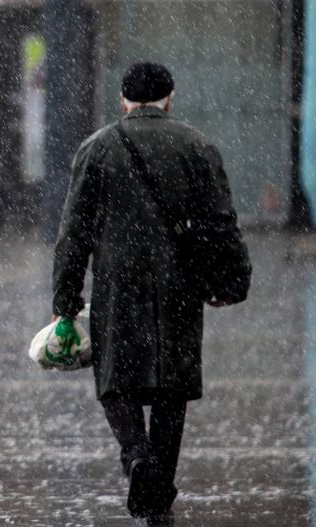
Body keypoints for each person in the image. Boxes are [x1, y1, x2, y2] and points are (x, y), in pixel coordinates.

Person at [51, 63, 251, 526]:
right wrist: (232, 283)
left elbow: (73, 234)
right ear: (170, 98)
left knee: (115, 378)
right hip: (179, 283)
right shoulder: (198, 146)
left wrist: (65, 299)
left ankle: (136, 457)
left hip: (117, 284)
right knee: (171, 385)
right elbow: (223, 225)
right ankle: (159, 483)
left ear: (123, 101)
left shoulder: (97, 148)